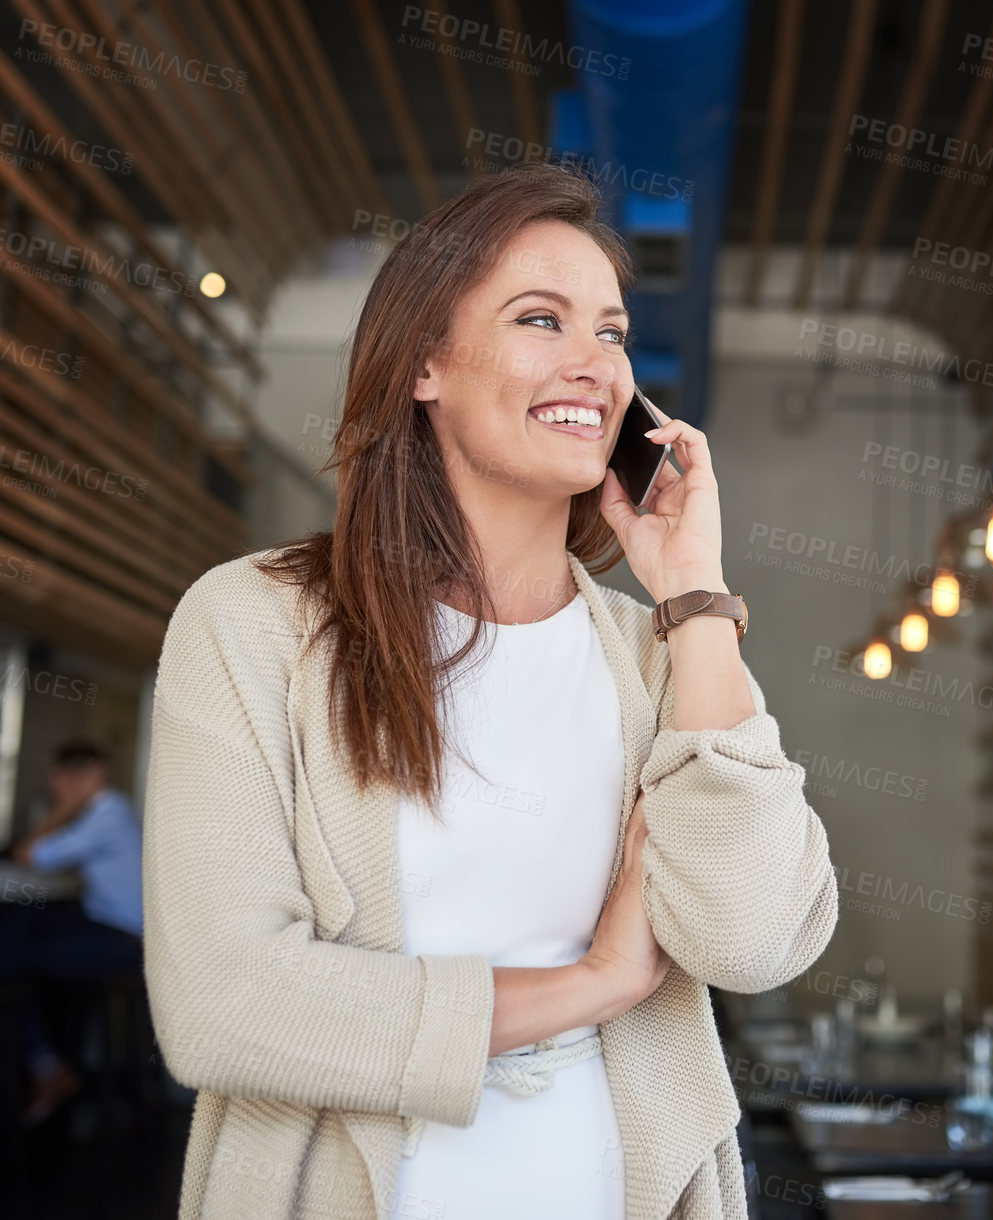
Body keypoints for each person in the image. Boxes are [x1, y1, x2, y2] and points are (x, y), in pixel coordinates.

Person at [142, 161, 838, 1220]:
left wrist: (695, 595)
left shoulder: (658, 652)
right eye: (539, 319)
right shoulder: (254, 624)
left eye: (609, 332)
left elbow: (748, 939)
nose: (592, 365)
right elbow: (224, 1006)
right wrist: (596, 983)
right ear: (425, 362)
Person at [1, 739, 144, 1125]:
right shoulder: (109, 811)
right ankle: (48, 1064)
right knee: (17, 923)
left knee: (13, 956)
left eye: (56, 779)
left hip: (125, 943)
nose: (53, 786)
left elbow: (26, 854)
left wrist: (68, 806)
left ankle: (46, 1067)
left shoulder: (107, 814)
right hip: (106, 921)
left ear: (71, 778)